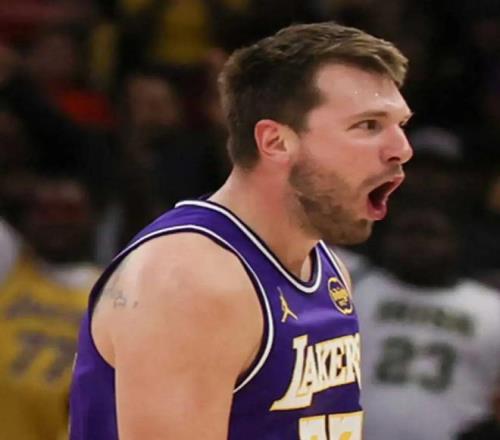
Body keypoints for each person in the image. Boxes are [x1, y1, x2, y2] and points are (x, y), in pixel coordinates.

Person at [69, 21, 413, 439]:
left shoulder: (325, 266)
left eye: (401, 124)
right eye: (368, 125)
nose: (402, 149)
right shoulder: (190, 282)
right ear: (276, 142)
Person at [351, 201, 500, 440]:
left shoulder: (491, 308)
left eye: (430, 234)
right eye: (407, 232)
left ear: (456, 241)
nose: (417, 243)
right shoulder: (353, 290)